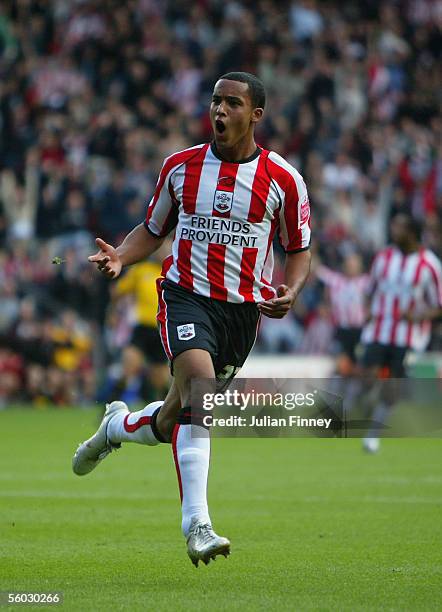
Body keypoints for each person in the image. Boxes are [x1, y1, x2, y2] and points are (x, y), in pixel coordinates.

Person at [72, 72, 311, 566]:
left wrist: (291, 290)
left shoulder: (284, 179)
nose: (219, 111)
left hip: (241, 314)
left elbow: (299, 249)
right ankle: (197, 524)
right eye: (215, 101)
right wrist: (121, 255)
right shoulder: (181, 168)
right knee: (199, 391)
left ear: (256, 115)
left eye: (232, 104)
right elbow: (152, 228)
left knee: (176, 415)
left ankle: (116, 427)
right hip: (184, 295)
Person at [358, 212, 442, 452]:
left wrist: (418, 316)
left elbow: (439, 305)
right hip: (378, 331)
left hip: (408, 337)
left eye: (399, 227)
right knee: (367, 379)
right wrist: (367, 311)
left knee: (392, 387)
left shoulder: (430, 265)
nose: (393, 231)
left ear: (412, 233)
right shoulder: (383, 257)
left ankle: (372, 436)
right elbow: (370, 289)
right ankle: (367, 408)